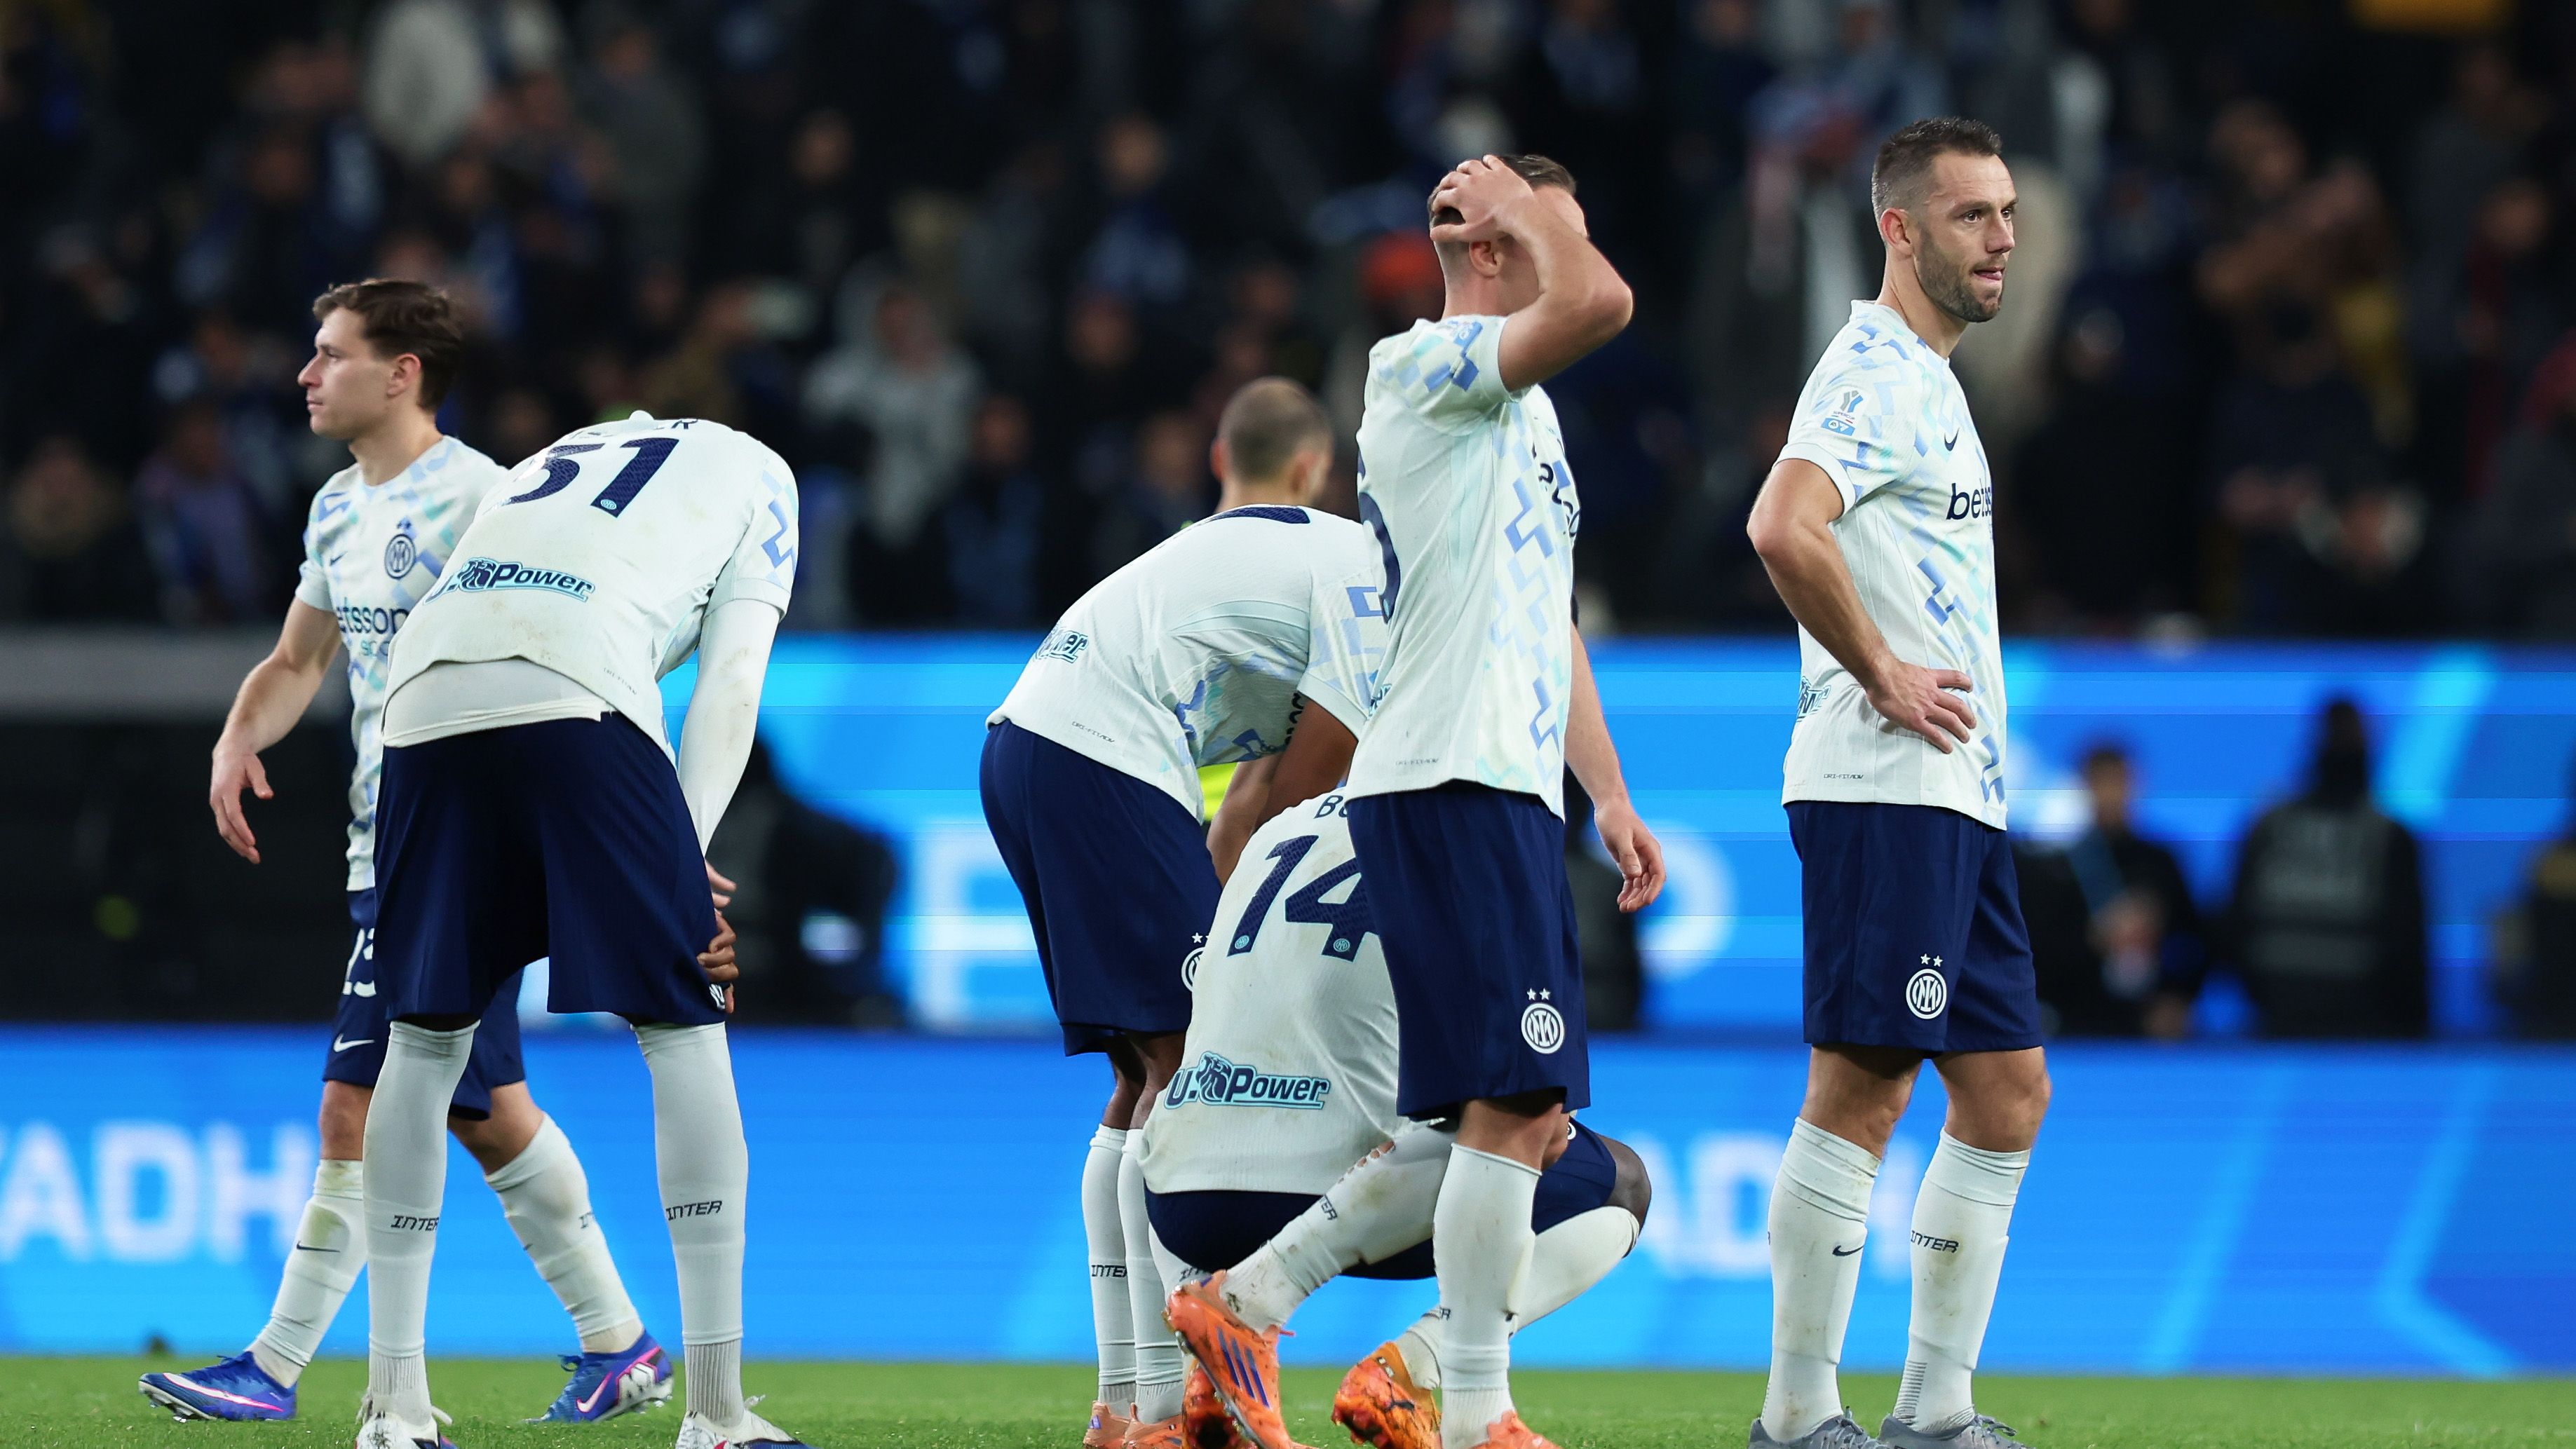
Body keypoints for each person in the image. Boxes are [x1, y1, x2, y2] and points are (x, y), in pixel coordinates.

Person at [1171, 155, 1666, 1449]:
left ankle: (1253, 1300)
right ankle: (1473, 1408)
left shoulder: (1528, 419)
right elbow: (1602, 301)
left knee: (1501, 1112)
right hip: (1449, 771)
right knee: (1517, 1103)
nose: (1562, 247)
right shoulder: (1421, 363)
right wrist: (1534, 209)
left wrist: (1607, 791)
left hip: (1502, 781)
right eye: (1545, 227)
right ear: (1507, 241)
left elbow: (1549, 618)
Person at [147, 280, 666, 1427]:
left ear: (401, 373)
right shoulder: (337, 507)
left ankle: (274, 1365)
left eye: (329, 354)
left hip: (459, 848)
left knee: (355, 1103)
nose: (304, 374)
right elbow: (299, 659)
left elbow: (568, 647)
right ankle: (621, 1342)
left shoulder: (489, 500)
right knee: (486, 1108)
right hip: (383, 846)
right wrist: (238, 735)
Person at [352, 409, 802, 1449]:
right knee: (682, 1023)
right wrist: (684, 865)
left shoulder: (553, 454)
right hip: (577, 680)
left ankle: (394, 1407)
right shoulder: (759, 471)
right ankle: (717, 1411)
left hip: (420, 703)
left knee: (422, 1040)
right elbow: (732, 679)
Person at [979, 377, 1388, 1449]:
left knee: (1146, 1076)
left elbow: (1251, 803)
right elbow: (1311, 785)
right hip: (1099, 752)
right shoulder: (1373, 577)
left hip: (1028, 741)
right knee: (1190, 1070)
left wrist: (1217, 945)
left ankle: (1126, 1406)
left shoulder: (1279, 559)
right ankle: (1169, 1409)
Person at [1741, 118, 2046, 1449]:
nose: (2003, 239)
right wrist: (1877, 669)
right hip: (1885, 782)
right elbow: (1779, 523)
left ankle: (1933, 1409)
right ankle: (1796, 1414)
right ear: (1899, 230)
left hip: (1951, 791)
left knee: (2006, 1088)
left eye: (2008, 212)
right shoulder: (1870, 373)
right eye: (1973, 215)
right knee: (1863, 1085)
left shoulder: (1930, 380)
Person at [1145, 794, 1651, 1449]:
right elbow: (1529, 1111)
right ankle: (1405, 1368)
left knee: (1158, 1102)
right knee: (1590, 1167)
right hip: (1317, 1190)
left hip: (1179, 1200)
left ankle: (1190, 1383)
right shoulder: (1483, 833)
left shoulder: (1279, 825)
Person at [2223, 698, 2429, 1039]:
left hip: (2357, 1029)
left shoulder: (2390, 838)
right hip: (2282, 1022)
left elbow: (2408, 948)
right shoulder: (2270, 828)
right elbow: (2235, 927)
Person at [2022, 744, 2205, 1038]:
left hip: (2152, 1022)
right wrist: (2093, 939)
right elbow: (2037, 952)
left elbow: (2195, 940)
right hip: (2076, 1023)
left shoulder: (2161, 862)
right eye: (2101, 782)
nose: (2110, 794)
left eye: (2118, 782)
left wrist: (2178, 998)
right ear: (2083, 787)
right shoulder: (2056, 868)